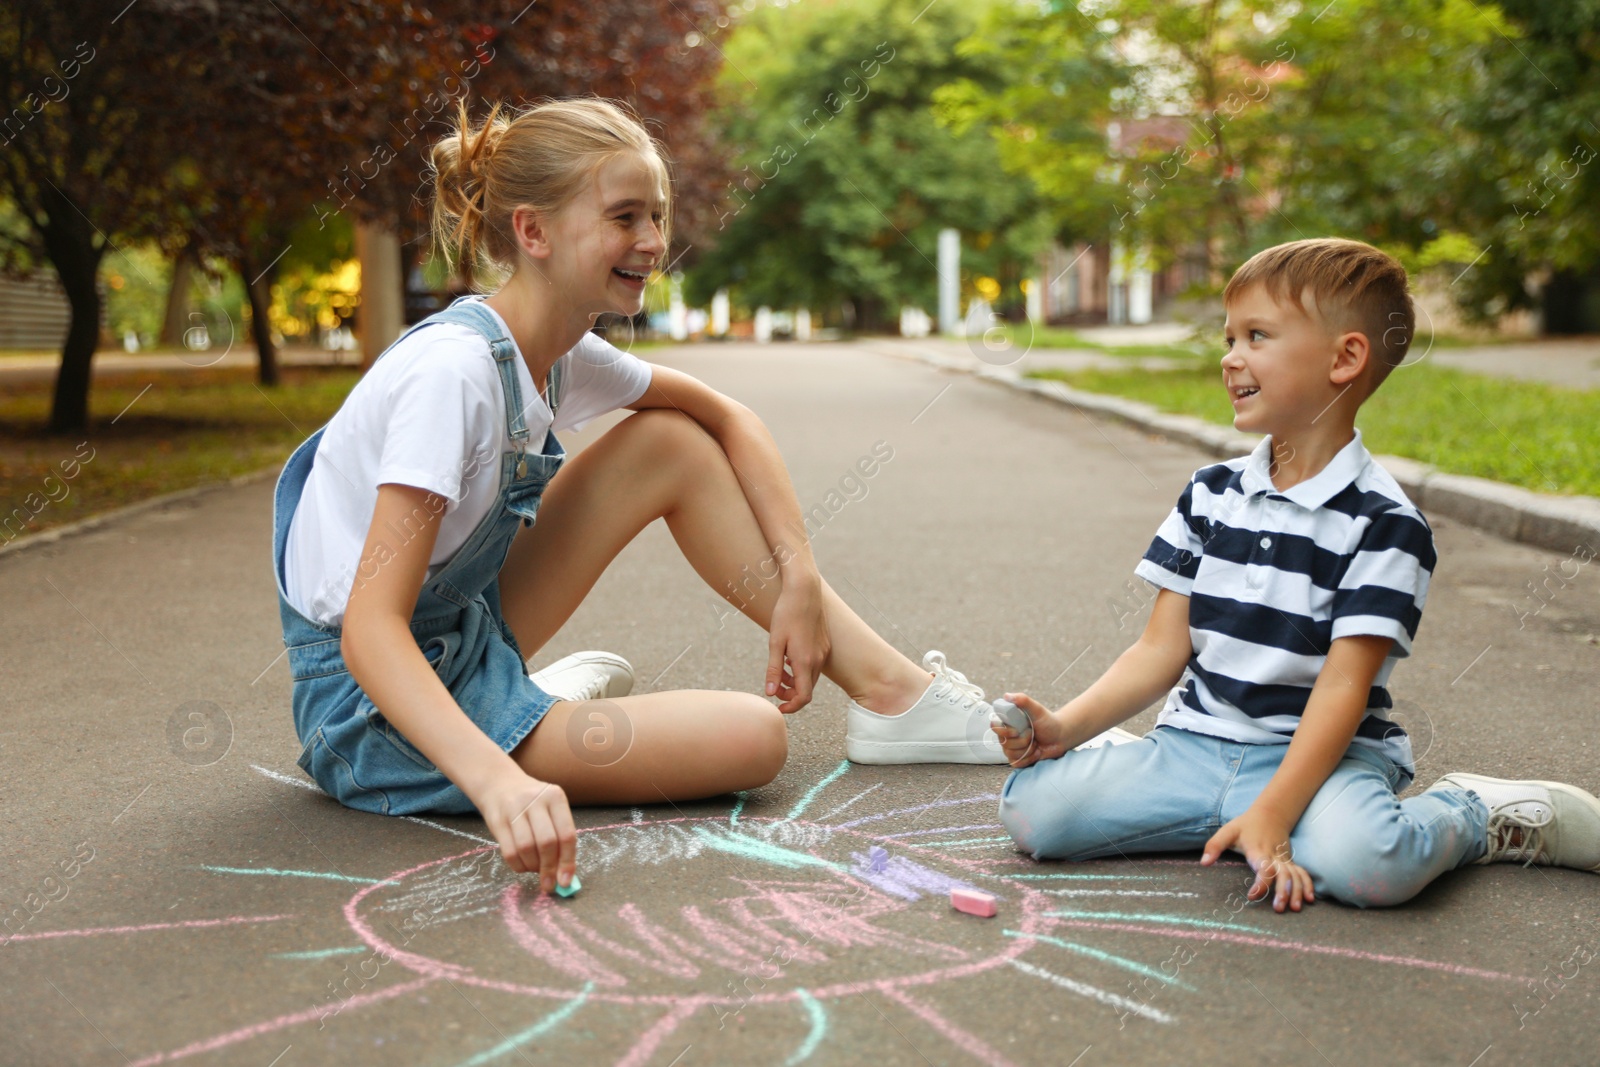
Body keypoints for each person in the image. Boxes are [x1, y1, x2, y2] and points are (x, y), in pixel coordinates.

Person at [271, 97, 1005, 899]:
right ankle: (531, 712)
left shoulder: (554, 350)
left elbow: (727, 417)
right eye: (625, 217)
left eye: (656, 215)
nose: (653, 242)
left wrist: (798, 578)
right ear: (534, 232)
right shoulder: (453, 376)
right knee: (754, 738)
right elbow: (371, 633)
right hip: (373, 710)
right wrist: (499, 783)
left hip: (463, 631)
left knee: (670, 440)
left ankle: (896, 697)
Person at [992, 238, 1600, 910]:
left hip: (1322, 757)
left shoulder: (1384, 522)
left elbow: (1343, 686)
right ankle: (1213, 811)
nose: (1230, 357)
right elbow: (1160, 648)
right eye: (1229, 337)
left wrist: (1278, 811)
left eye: (1257, 335)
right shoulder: (1209, 493)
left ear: (1344, 358)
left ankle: (1474, 814)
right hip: (1195, 744)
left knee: (1372, 865)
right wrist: (1065, 729)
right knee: (1035, 812)